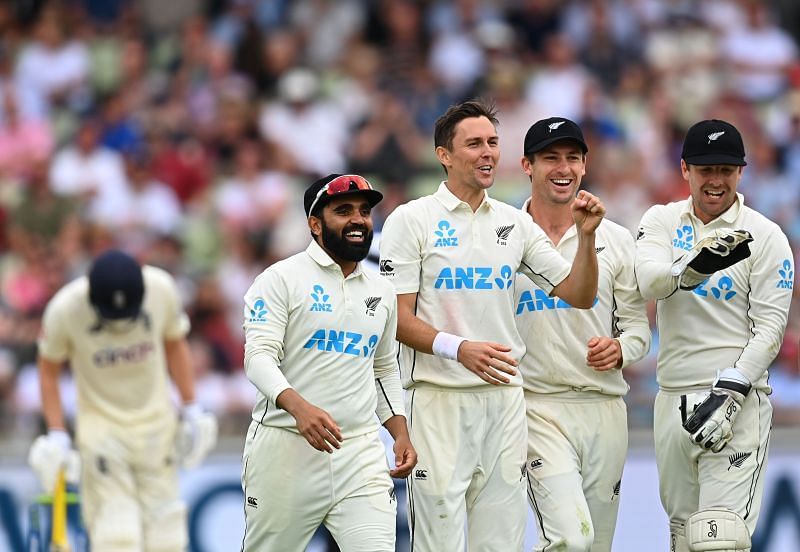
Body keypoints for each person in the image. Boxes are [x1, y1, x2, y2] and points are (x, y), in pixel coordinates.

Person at [378, 99, 605, 551]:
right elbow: (394, 320)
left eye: (493, 143)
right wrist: (458, 348)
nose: (487, 153)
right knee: (439, 543)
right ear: (444, 155)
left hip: (504, 403)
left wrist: (587, 236)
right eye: (475, 144)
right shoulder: (412, 219)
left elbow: (579, 295)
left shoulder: (514, 223)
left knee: (500, 544)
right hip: (439, 400)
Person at [634, 119, 793, 552]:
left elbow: (770, 329)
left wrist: (732, 387)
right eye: (706, 169)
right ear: (685, 169)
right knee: (684, 538)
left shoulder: (765, 236)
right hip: (672, 399)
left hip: (736, 400)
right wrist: (693, 267)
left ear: (741, 172)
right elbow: (648, 282)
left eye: (726, 169)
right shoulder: (662, 220)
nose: (716, 180)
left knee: (719, 540)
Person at [241, 173, 417, 551]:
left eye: (364, 211)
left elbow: (383, 368)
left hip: (359, 452)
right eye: (343, 211)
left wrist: (399, 432)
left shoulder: (381, 291)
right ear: (315, 225)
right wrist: (299, 408)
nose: (358, 220)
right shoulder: (280, 279)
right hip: (285, 449)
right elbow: (257, 358)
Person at [514, 117, 651, 551]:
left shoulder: (615, 237)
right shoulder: (503, 237)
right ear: (527, 166)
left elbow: (636, 331)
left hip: (604, 408)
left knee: (596, 546)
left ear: (585, 165)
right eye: (550, 158)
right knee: (571, 539)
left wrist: (619, 350)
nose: (563, 168)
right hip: (536, 406)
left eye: (573, 158)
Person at [28, 249, 217, 550]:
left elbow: (175, 343)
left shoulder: (161, 290)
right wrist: (57, 434)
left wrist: (192, 408)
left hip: (157, 427)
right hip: (102, 432)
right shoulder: (65, 309)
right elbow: (48, 368)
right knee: (117, 536)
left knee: (167, 538)